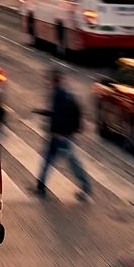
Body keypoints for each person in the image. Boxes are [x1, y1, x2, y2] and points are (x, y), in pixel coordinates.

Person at [34, 70, 92, 199]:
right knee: (48, 159)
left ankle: (86, 185)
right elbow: (57, 113)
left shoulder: (60, 95)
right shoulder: (61, 94)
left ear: (56, 81)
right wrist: (44, 112)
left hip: (61, 135)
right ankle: (40, 185)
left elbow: (60, 115)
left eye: (50, 81)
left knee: (72, 162)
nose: (47, 83)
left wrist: (59, 132)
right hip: (58, 134)